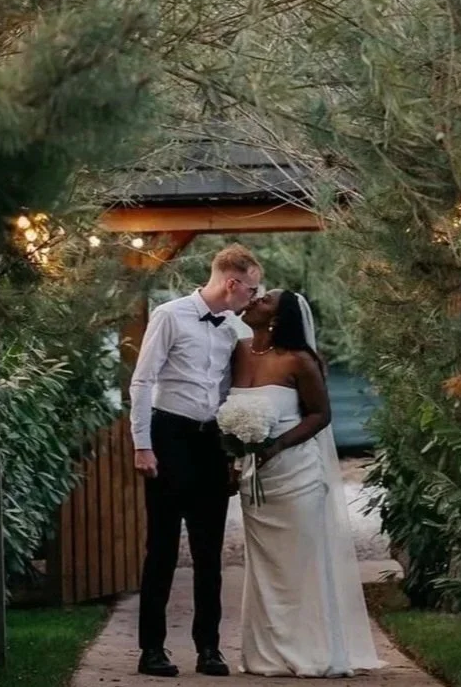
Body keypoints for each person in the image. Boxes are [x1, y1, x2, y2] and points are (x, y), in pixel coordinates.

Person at [230, 289, 383, 677]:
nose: (253, 302)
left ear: (278, 318)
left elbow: (320, 414)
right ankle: (264, 654)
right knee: (265, 569)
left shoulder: (299, 360)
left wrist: (277, 445)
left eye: (264, 301)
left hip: (295, 474)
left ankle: (312, 651)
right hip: (254, 480)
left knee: (300, 565)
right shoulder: (239, 350)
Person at [129, 244, 263, 678]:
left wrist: (232, 447)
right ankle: (152, 650)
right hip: (169, 436)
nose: (254, 298)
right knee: (162, 549)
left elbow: (230, 389)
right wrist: (142, 444)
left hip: (210, 443)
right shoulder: (170, 315)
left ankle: (209, 649)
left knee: (210, 553)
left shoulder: (234, 330)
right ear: (232, 283)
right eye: (252, 289)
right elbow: (143, 380)